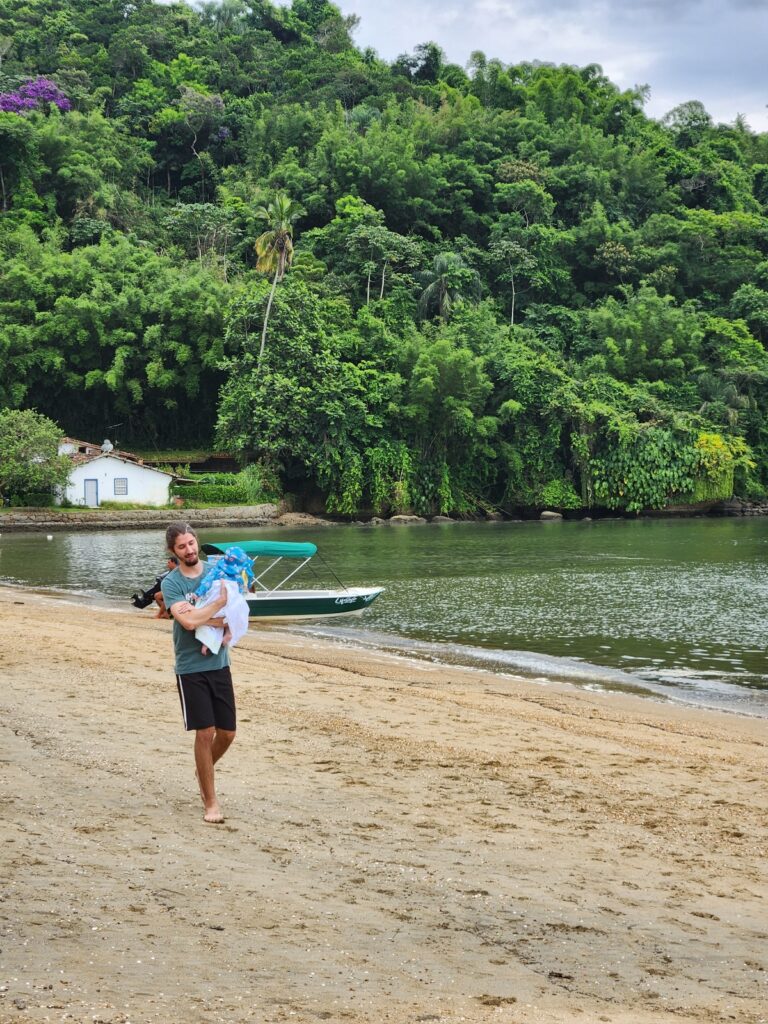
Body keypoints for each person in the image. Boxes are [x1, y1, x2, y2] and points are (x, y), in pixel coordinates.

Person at [160, 521, 236, 824]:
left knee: (227, 734)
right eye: (182, 546)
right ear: (172, 551)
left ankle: (201, 768)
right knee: (205, 732)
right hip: (190, 667)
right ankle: (210, 802)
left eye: (191, 543)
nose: (189, 550)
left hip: (220, 663)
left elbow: (234, 611)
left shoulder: (216, 573)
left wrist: (215, 617)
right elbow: (189, 623)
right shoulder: (171, 583)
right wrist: (215, 609)